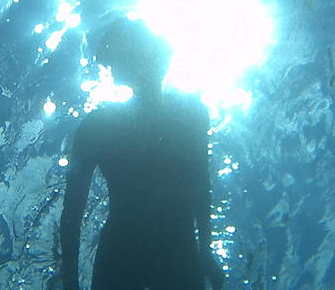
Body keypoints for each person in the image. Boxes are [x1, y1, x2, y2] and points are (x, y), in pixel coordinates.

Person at [60, 18, 225, 290]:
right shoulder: (190, 114)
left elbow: (72, 214)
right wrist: (205, 251)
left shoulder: (99, 126)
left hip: (138, 252)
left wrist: (70, 281)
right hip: (172, 250)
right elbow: (200, 184)